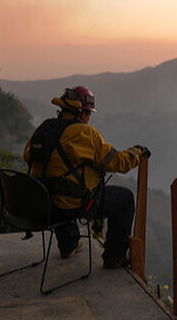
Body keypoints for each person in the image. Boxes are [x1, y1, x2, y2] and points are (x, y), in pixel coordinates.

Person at [23, 86, 150, 269]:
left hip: (42, 205)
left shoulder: (43, 129)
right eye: (88, 114)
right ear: (81, 113)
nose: (89, 119)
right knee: (125, 199)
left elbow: (27, 156)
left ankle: (69, 244)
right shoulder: (85, 134)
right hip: (69, 206)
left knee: (58, 187)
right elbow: (118, 163)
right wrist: (137, 152)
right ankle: (114, 257)